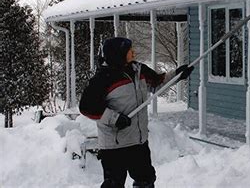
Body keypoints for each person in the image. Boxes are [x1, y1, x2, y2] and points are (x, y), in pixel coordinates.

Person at [79, 37, 193, 188]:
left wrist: (177, 75)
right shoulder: (103, 78)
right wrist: (114, 118)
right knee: (113, 184)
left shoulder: (138, 70)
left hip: (138, 142)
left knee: (146, 181)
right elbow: (87, 107)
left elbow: (157, 82)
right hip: (114, 145)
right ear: (118, 54)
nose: (133, 52)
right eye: (128, 50)